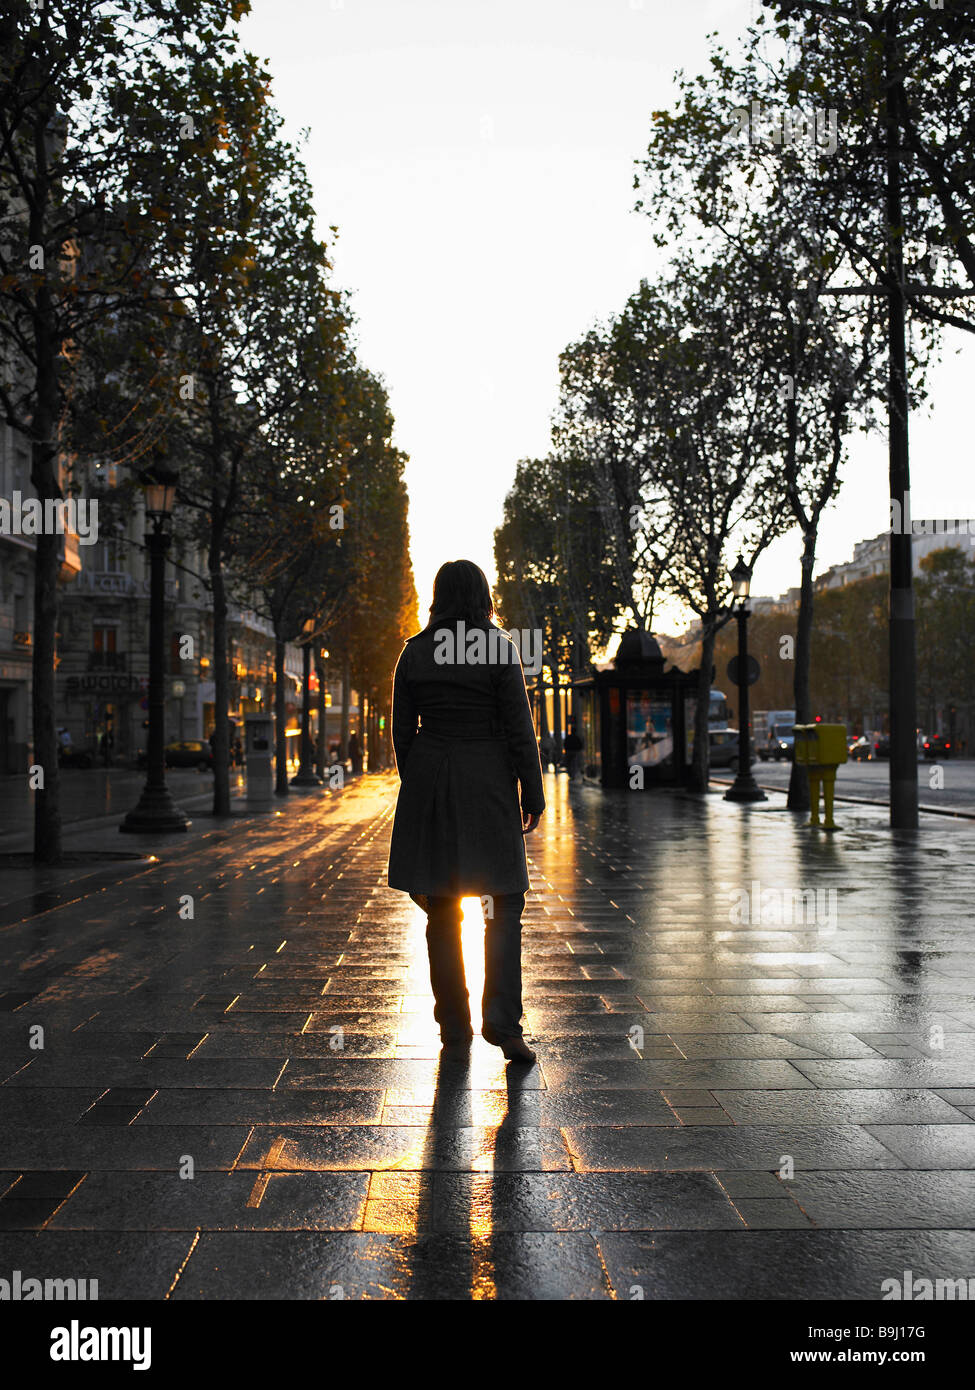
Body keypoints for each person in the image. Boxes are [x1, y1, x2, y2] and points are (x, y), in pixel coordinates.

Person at [387, 559, 545, 1064]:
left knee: (441, 908)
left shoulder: (413, 653)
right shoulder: (499, 648)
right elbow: (520, 728)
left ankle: (452, 1027)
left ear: (438, 596)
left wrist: (420, 779)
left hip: (433, 776)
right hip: (489, 780)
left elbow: (402, 734)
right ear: (483, 595)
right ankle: (503, 1024)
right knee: (503, 906)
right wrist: (532, 792)